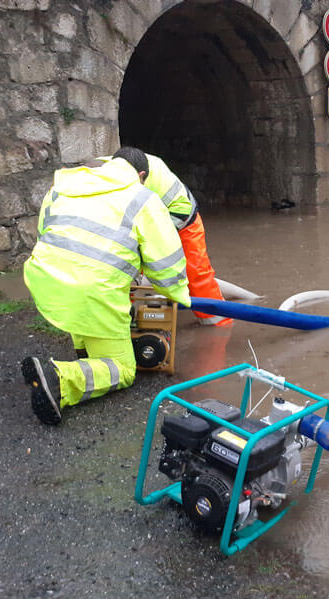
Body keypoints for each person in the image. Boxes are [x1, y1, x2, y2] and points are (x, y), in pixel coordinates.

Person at [21, 146, 191, 425]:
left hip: (46, 280)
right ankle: (61, 380)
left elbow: (46, 233)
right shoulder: (142, 198)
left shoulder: (63, 186)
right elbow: (167, 263)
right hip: (91, 292)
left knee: (84, 298)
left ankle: (86, 353)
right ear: (142, 175)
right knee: (124, 369)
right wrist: (179, 296)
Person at [103, 152, 231, 326]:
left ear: (141, 177)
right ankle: (126, 319)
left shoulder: (161, 182)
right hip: (147, 220)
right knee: (126, 269)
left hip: (184, 220)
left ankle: (217, 323)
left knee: (197, 275)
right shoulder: (107, 172)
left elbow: (179, 215)